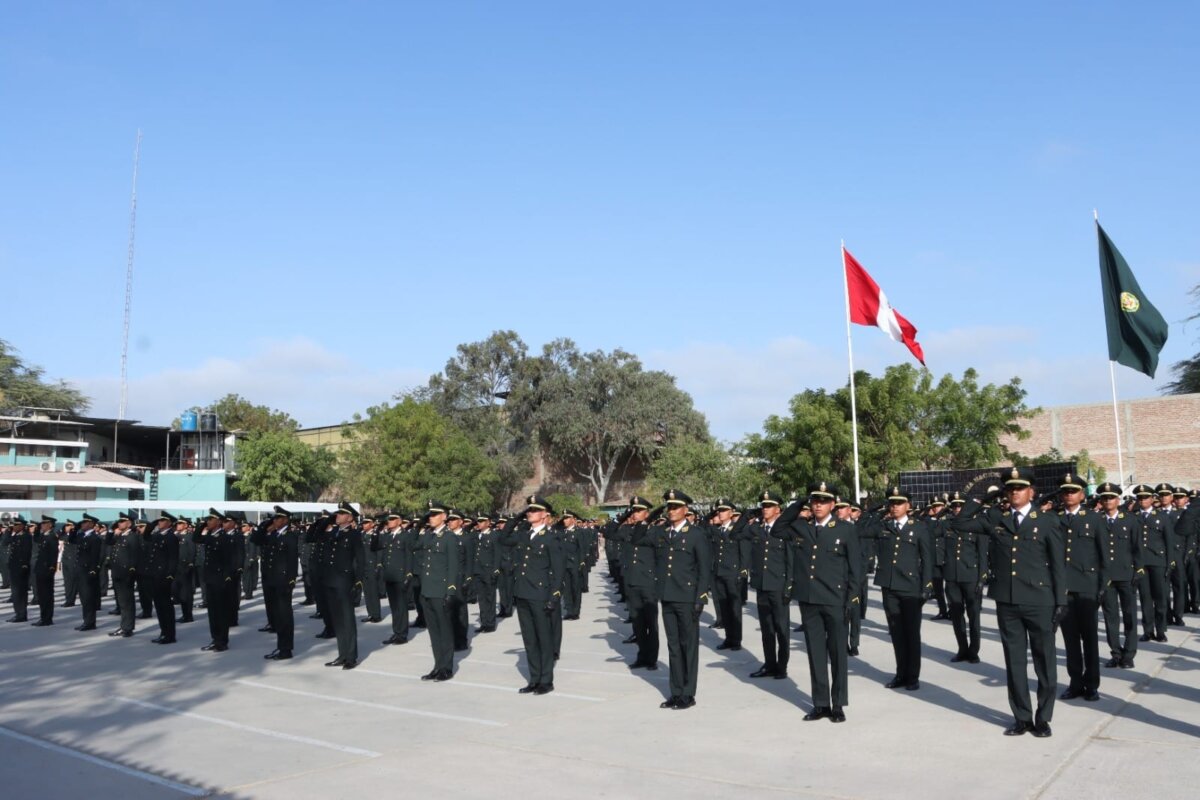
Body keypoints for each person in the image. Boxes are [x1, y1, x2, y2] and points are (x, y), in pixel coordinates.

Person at [950, 467, 1066, 738]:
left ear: (1031, 492)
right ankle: (1022, 717)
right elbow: (959, 523)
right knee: (1014, 662)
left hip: (1040, 601)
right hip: (1007, 602)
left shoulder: (1046, 520)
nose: (1014, 492)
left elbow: (1058, 564)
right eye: (1010, 488)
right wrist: (979, 499)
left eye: (1020, 488)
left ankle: (1043, 717)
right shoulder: (996, 518)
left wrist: (1061, 601)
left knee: (1044, 661)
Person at [774, 482, 862, 722]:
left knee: (837, 654)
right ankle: (820, 703)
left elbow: (856, 568)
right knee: (815, 653)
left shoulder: (845, 529)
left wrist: (852, 600)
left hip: (835, 600)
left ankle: (838, 704)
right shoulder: (801, 528)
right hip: (810, 600)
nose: (818, 505)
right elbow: (777, 528)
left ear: (833, 504)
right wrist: (801, 500)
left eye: (823, 501)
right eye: (815, 501)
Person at [643, 490, 711, 710]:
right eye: (668, 507)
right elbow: (636, 537)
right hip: (668, 596)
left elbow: (704, 568)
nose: (671, 511)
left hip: (687, 598)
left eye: (675, 507)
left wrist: (701, 597)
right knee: (673, 645)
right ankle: (675, 692)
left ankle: (688, 693)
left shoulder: (696, 534)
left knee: (688, 645)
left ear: (685, 510)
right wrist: (653, 515)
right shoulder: (662, 533)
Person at [500, 494, 564, 694]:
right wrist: (517, 518)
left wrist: (554, 595)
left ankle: (546, 680)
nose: (530, 513)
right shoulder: (524, 534)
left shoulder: (552, 538)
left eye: (534, 510)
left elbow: (558, 570)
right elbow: (502, 538)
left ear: (545, 515)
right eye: (529, 510)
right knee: (529, 639)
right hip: (522, 593)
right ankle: (534, 678)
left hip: (541, 594)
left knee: (544, 638)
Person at [1057, 473, 1105, 702]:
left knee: (1090, 638)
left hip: (1087, 587)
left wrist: (1101, 587)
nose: (1068, 495)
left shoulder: (1094, 519)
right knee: (1070, 639)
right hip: (1064, 589)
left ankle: (1092, 684)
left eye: (1073, 491)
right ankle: (1075, 682)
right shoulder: (1054, 518)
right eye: (1065, 491)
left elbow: (1104, 556)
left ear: (1082, 494)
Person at [736, 490, 792, 680]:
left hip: (779, 585)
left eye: (769, 506)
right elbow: (735, 534)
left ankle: (781, 666)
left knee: (781, 628)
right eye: (763, 506)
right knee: (767, 629)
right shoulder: (756, 529)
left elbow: (790, 560)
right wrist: (747, 515)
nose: (765, 509)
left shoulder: (785, 530)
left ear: (778, 509)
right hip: (761, 585)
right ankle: (769, 664)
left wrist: (789, 586)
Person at [416, 501, 462, 680]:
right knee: (434, 632)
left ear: (444, 516)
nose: (431, 518)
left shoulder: (450, 538)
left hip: (440, 591)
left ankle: (447, 668)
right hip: (427, 591)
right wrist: (419, 523)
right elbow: (414, 544)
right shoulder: (428, 536)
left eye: (435, 515)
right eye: (429, 515)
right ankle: (437, 665)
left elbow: (453, 567)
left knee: (444, 630)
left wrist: (450, 591)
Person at [1131, 484, 1174, 643]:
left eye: (1146, 497)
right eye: (1140, 498)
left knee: (1160, 598)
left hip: (1158, 562)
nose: (1143, 500)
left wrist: (1169, 563)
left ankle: (1161, 630)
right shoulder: (1133, 516)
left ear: (1152, 499)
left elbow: (1169, 541)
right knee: (1145, 599)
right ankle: (1148, 631)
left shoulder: (1161, 516)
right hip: (1141, 563)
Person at [255, 506, 299, 660]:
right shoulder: (274, 535)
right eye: (274, 518)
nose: (276, 521)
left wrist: (291, 581)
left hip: (284, 582)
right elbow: (256, 539)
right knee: (278, 616)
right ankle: (281, 647)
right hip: (272, 580)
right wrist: (265, 525)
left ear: (286, 520)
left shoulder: (290, 536)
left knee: (285, 616)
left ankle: (286, 649)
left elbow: (292, 561)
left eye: (278, 518)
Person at [195, 509, 237, 652]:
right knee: (212, 612)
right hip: (210, 579)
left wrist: (226, 579)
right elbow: (196, 538)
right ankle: (215, 639)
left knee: (221, 612)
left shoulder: (224, 538)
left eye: (211, 519)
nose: (208, 521)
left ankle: (222, 641)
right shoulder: (210, 536)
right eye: (208, 520)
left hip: (220, 580)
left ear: (218, 521)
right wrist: (201, 526)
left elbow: (229, 560)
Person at [708, 498, 747, 651]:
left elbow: (743, 553)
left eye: (724, 511)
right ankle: (728, 638)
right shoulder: (717, 530)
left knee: (735, 608)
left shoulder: (737, 530)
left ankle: (736, 639)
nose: (720, 513)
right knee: (724, 607)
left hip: (733, 573)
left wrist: (742, 573)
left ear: (731, 513)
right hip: (719, 573)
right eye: (719, 511)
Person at [375, 511, 414, 645]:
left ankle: (402, 634)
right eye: (388, 519)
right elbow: (376, 547)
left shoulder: (406, 536)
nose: (389, 521)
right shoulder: (387, 536)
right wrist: (377, 529)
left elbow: (409, 556)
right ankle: (396, 632)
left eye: (392, 519)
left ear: (399, 521)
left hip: (400, 576)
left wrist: (408, 574)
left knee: (401, 606)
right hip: (389, 576)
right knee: (394, 606)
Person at [142, 512, 179, 644]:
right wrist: (152, 524)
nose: (160, 522)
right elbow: (146, 536)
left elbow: (173, 558)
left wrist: (170, 575)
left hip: (164, 576)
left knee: (166, 606)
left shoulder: (171, 537)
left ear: (169, 523)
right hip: (154, 575)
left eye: (163, 520)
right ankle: (163, 632)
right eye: (160, 520)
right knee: (158, 605)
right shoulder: (157, 535)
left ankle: (170, 634)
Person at [106, 512, 140, 638]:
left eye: (122, 521)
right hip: (117, 572)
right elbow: (108, 542)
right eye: (118, 521)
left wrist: (132, 571)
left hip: (126, 573)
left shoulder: (132, 537)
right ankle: (124, 625)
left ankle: (127, 627)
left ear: (129, 523)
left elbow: (135, 556)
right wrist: (111, 532)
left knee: (127, 601)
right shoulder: (118, 536)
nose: (119, 523)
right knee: (121, 602)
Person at [468, 514, 500, 634]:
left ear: (489, 522)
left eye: (482, 521)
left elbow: (497, 554)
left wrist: (496, 570)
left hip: (489, 571)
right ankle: (484, 622)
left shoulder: (494, 535)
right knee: (481, 598)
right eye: (478, 521)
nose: (479, 523)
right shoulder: (476, 535)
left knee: (490, 597)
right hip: (478, 571)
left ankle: (490, 624)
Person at [31, 515, 59, 627]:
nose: (41, 525)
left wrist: (52, 568)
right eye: (41, 524)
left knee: (47, 595)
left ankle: (47, 618)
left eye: (43, 524)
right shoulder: (43, 536)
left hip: (46, 569)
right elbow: (36, 538)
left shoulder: (52, 537)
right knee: (42, 595)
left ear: (50, 525)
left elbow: (53, 554)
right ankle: (44, 617)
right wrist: (37, 528)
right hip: (40, 569)